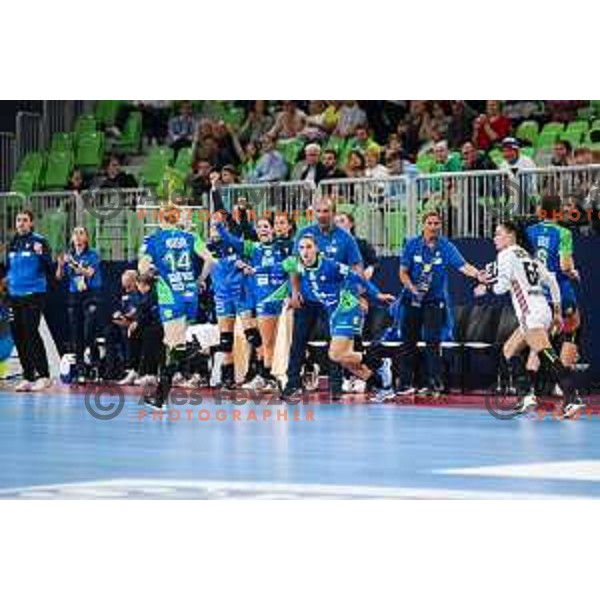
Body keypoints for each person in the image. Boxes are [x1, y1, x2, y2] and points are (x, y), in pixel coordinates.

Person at [475, 221, 585, 418]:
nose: (495, 238)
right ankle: (526, 395)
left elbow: (501, 288)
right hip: (542, 309)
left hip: (530, 313)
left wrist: (486, 288)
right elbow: (551, 281)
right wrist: (557, 312)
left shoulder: (506, 255)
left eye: (498, 234)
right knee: (508, 351)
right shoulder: (527, 255)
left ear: (511, 236)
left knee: (548, 356)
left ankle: (572, 398)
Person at [282, 234, 395, 403]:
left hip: (347, 307)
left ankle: (380, 364)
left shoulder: (330, 265)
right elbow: (274, 268)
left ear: (317, 249)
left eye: (308, 247)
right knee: (345, 360)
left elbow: (357, 277)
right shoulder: (298, 265)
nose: (305, 251)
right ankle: (382, 386)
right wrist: (289, 296)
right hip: (334, 313)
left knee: (335, 354)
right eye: (301, 248)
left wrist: (377, 294)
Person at [397, 211, 487, 396]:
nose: (433, 227)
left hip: (433, 301)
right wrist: (412, 288)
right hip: (412, 299)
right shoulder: (412, 245)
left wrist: (478, 274)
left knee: (433, 341)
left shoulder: (446, 246)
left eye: (437, 223)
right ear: (423, 225)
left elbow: (463, 266)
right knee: (409, 342)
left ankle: (434, 383)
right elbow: (403, 272)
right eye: (429, 223)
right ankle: (405, 383)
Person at [283, 197, 363, 400]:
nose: (322, 215)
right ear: (314, 213)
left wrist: (352, 295)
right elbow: (293, 265)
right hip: (308, 298)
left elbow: (356, 268)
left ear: (333, 213)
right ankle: (292, 384)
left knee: (334, 344)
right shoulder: (304, 234)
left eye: (326, 211)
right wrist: (294, 291)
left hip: (334, 302)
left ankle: (336, 388)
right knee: (298, 342)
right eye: (318, 211)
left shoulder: (346, 238)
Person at [138, 206, 214, 409]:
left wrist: (151, 273)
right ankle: (193, 347)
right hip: (190, 295)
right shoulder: (190, 236)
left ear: (160, 219)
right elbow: (210, 260)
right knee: (176, 342)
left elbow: (143, 268)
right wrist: (199, 280)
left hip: (171, 297)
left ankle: (160, 397)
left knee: (172, 346)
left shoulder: (152, 239)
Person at [213, 213, 294, 390]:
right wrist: (219, 227)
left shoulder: (283, 247)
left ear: (272, 229)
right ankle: (266, 376)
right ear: (256, 231)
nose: (263, 230)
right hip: (261, 300)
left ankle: (271, 377)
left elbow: (291, 268)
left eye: (267, 226)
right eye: (260, 227)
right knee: (266, 342)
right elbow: (233, 241)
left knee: (272, 342)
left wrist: (260, 270)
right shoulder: (253, 248)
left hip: (278, 298)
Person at [526, 195, 582, 386]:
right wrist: (573, 273)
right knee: (572, 328)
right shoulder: (563, 233)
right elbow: (565, 266)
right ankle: (562, 384)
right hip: (560, 291)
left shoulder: (528, 231)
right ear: (558, 211)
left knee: (538, 341)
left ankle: (529, 390)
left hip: (537, 294)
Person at [3, 210, 53, 392]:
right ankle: (28, 376)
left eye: (25, 220)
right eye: (18, 220)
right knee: (18, 334)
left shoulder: (39, 241)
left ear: (31, 223)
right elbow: (8, 269)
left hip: (34, 294)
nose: (21, 223)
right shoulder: (13, 243)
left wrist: (42, 255)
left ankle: (44, 376)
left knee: (31, 332)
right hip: (14, 296)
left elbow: (50, 267)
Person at [55, 227, 102, 383]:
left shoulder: (93, 254)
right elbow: (59, 277)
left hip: (91, 295)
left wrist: (72, 263)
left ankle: (95, 364)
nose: (78, 236)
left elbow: (89, 273)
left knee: (89, 332)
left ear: (87, 238)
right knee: (77, 334)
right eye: (75, 233)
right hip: (75, 296)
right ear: (72, 238)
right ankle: (81, 369)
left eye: (82, 233)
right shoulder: (69, 256)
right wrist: (61, 265)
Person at [129, 272, 165, 386]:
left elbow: (147, 313)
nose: (138, 288)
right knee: (135, 335)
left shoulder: (154, 295)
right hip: (149, 325)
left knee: (150, 334)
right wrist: (134, 322)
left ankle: (151, 374)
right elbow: (140, 312)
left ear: (145, 285)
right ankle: (135, 370)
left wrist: (137, 322)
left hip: (160, 326)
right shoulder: (144, 296)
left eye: (139, 285)